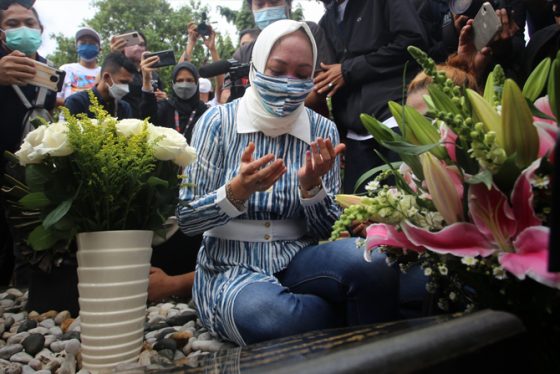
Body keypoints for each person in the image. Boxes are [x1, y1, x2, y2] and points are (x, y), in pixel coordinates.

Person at [177, 20, 425, 346]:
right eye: (278, 70)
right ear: (256, 66)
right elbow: (187, 219)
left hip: (298, 259)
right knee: (273, 316)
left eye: (301, 74)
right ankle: (348, 326)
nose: (289, 83)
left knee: (372, 263)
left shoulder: (322, 129)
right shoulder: (218, 122)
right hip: (229, 266)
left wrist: (311, 188)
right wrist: (236, 192)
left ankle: (354, 343)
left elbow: (328, 230)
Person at [0, 0, 57, 286]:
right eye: (12, 24)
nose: (22, 29)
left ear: (40, 28)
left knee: (29, 241)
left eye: (29, 23)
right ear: (1, 32)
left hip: (29, 172)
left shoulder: (48, 70)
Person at [220, 0, 335, 116]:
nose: (267, 9)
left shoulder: (309, 34)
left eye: (274, 2)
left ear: (288, 4)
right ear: (252, 8)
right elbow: (226, 94)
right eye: (260, 4)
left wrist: (279, 114)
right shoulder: (244, 52)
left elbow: (322, 84)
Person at [140, 59, 208, 143]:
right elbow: (148, 119)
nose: (184, 85)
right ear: (173, 84)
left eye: (189, 80)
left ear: (197, 83)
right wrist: (147, 81)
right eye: (180, 80)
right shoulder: (166, 107)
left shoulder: (205, 112)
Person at [110, 31, 165, 118]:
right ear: (123, 48)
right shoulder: (115, 70)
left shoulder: (153, 74)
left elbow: (159, 106)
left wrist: (163, 99)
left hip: (148, 125)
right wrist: (113, 57)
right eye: (133, 44)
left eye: (141, 44)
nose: (137, 47)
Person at [64, 52, 135, 118]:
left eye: (128, 83)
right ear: (106, 77)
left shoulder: (124, 107)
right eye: (123, 82)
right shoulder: (77, 102)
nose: (126, 88)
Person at [56, 27, 101, 106]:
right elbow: (55, 98)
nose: (87, 45)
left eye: (91, 43)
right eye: (83, 43)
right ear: (76, 47)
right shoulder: (66, 69)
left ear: (99, 48)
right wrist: (76, 104)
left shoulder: (103, 72)